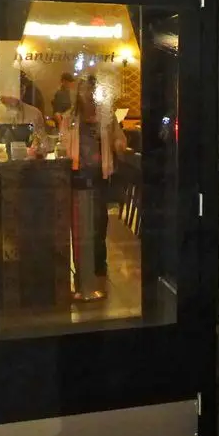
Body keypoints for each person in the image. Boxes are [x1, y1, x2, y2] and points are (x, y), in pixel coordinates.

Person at [61, 76, 128, 299]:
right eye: (83, 90)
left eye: (91, 90)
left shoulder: (106, 118)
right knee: (79, 227)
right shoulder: (70, 117)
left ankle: (99, 269)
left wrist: (118, 145)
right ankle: (82, 273)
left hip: (99, 176)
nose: (87, 94)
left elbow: (121, 140)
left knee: (99, 223)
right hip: (76, 175)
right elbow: (62, 142)